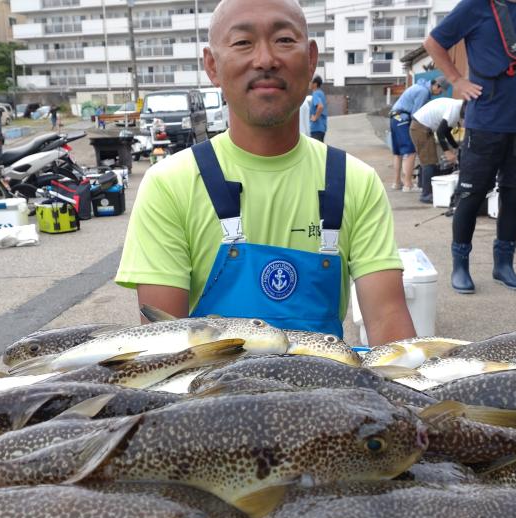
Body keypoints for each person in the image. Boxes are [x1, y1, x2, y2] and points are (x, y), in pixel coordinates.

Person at [115, 0, 416, 345]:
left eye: (284, 40)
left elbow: (387, 319)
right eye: (243, 42)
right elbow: (162, 344)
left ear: (311, 58)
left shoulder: (355, 182)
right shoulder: (170, 184)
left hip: (326, 394)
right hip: (209, 396)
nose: (265, 59)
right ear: (212, 65)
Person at [424, 0, 516, 294]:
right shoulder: (475, 6)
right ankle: (461, 266)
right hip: (485, 122)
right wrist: (457, 80)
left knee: (514, 195)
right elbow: (433, 42)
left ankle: (504, 265)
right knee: (470, 195)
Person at [389, 76, 445, 192]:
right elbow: (416, 114)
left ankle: (397, 182)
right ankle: (408, 184)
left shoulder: (419, 87)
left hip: (395, 118)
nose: (440, 93)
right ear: (436, 85)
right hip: (403, 119)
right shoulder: (423, 92)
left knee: (398, 152)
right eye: (441, 90)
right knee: (411, 152)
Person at [409, 94, 463, 204]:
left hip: (422, 126)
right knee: (429, 161)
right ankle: (426, 195)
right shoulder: (455, 109)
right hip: (421, 127)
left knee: (429, 161)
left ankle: (426, 190)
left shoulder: (456, 105)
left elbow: (446, 131)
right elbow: (440, 132)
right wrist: (447, 152)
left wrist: (456, 147)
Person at [309, 74, 327, 142]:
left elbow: (320, 106)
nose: (309, 83)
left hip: (316, 128)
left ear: (315, 84)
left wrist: (315, 117)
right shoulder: (321, 93)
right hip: (322, 127)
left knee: (315, 151)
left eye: (311, 82)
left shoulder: (315, 93)